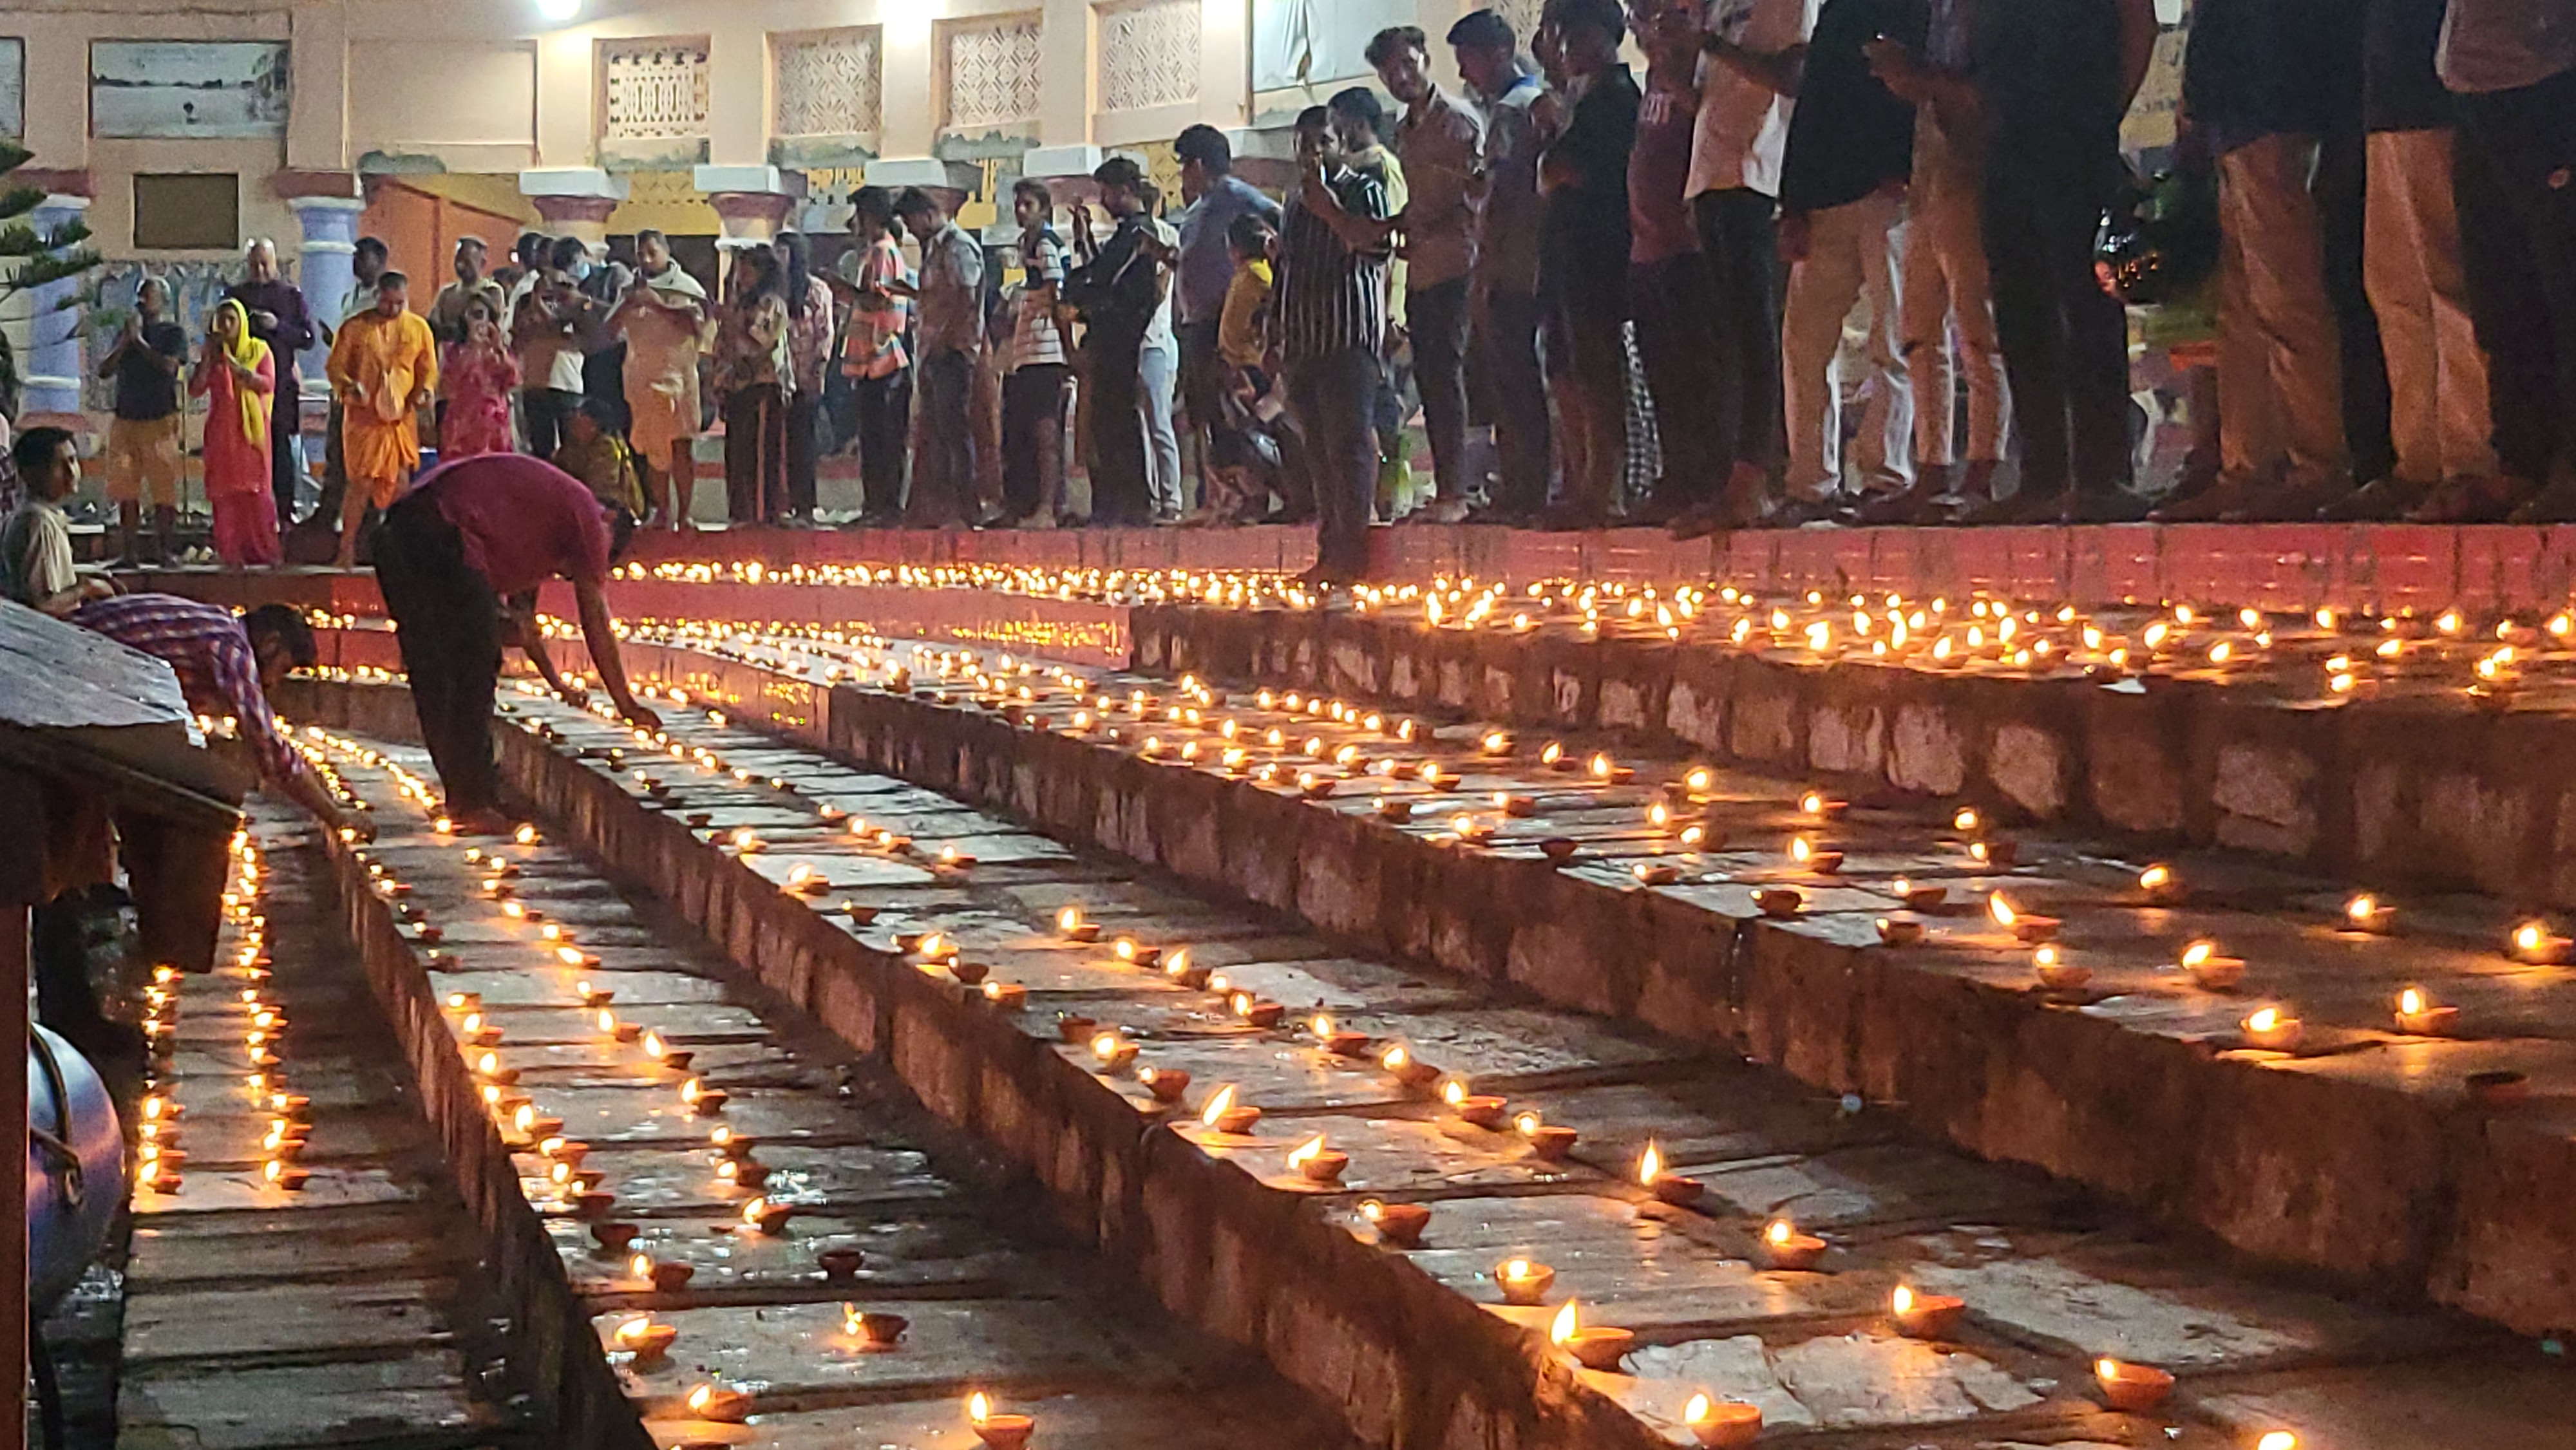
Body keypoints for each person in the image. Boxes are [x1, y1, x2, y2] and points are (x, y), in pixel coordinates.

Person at [371, 453, 659, 834]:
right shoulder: (588, 514)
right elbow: (595, 619)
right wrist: (626, 702)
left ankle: (464, 797)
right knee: (471, 668)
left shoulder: (541, 515)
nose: (570, 572)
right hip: (443, 529)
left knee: (435, 670)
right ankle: (473, 801)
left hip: (396, 532)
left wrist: (555, 681)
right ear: (609, 522)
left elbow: (521, 627)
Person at [1963, 0, 2158, 522]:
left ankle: (2104, 474)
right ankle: (2042, 476)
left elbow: (2139, 20)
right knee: (2020, 307)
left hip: (2075, 130)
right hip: (2009, 137)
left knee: (2087, 302)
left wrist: (2101, 117)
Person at [2163, 0, 2353, 521]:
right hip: (2238, 116)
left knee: (2285, 301)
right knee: (2242, 312)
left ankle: (2315, 466)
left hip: (2270, 112)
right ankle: (2247, 467)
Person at [1736, 0, 1925, 522]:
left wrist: (1904, 162)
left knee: (1896, 340)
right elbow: (1814, 106)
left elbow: (1917, 84)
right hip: (1825, 201)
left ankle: (1884, 475)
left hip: (1886, 193)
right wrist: (1793, 204)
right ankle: (1812, 481)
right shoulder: (1840, 12)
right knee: (1804, 345)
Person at [2312, 0, 2496, 521]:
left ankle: (2470, 458)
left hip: (2432, 96)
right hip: (2383, 102)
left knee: (2446, 284)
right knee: (2395, 292)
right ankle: (2418, 462)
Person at [2421, 0, 2576, 522]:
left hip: (2546, 74)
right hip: (2476, 80)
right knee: (2501, 286)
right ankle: (2522, 458)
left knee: (2562, 279)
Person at [69, 596, 365, 837]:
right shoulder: (232, 646)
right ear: (271, 643)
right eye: (282, 669)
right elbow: (267, 746)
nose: (274, 682)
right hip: (68, 667)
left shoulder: (220, 626)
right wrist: (335, 816)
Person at [1678, 0, 1810, 532]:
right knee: (1724, 343)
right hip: (1711, 183)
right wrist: (1674, 59)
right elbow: (1708, 99)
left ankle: (1758, 480)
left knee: (1758, 340)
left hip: (1754, 181)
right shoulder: (1720, 8)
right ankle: (1731, 478)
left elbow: (1791, 79)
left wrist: (1710, 45)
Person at [1370, 26, 1488, 523]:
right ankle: (1447, 489)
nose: (1401, 76)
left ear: (1425, 59)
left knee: (1456, 377)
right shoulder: (1402, 131)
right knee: (1433, 380)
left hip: (1461, 265)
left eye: (1407, 63)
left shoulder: (1459, 121)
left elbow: (1477, 194)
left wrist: (1427, 221)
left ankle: (1462, 490)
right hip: (1420, 271)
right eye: (1389, 71)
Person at [1620, 1, 1731, 527]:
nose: (1644, 26)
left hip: (1687, 244)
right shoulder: (1651, 77)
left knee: (1696, 372)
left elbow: (1702, 115)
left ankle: (1709, 476)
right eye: (1638, 17)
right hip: (1647, 250)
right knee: (1663, 374)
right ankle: (1677, 474)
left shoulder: (1696, 62)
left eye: (1653, 14)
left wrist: (1671, 65)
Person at [1275, 104, 1396, 581]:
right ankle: (1330, 550)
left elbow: (1376, 248)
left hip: (1347, 335)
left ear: (1340, 145)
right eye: (1305, 145)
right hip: (1303, 338)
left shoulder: (1363, 189)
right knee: (1319, 451)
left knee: (1349, 445)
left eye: (1322, 142)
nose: (1313, 153)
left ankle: (1354, 551)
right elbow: (1286, 268)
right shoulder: (1293, 202)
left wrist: (1330, 208)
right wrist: (1277, 334)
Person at [1535, 0, 1643, 527]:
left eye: (1576, 36)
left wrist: (1556, 162)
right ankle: (1579, 478)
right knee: (1565, 369)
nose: (1567, 48)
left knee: (1597, 371)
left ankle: (1605, 484)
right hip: (1566, 250)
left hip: (1598, 250)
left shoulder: (1617, 99)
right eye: (1561, 38)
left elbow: (1576, 171)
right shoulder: (1578, 99)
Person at [1448, 10, 1554, 523]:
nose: (1465, 75)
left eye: (1468, 60)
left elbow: (1506, 195)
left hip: (1514, 266)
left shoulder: (1515, 109)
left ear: (1498, 53)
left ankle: (1525, 487)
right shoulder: (1526, 103)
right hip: (1531, 261)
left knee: (1514, 380)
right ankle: (1526, 483)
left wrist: (1485, 269)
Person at [1173, 125, 1283, 514]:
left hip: (1229, 325)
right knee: (1205, 414)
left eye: (1185, 166)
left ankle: (1251, 495)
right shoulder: (1195, 212)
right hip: (1198, 326)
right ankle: (1216, 497)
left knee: (1235, 414)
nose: (1184, 175)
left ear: (1199, 165)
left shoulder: (1239, 198)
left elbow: (1278, 230)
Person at [1064, 159, 1164, 527]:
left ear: (1125, 190)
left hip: (1120, 338)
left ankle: (1128, 503)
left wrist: (1081, 296)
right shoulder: (1126, 234)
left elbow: (1103, 279)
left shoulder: (1138, 233)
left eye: (1106, 192)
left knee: (1117, 422)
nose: (1103, 200)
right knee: (1107, 422)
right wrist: (1083, 238)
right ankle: (1112, 503)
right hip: (1111, 336)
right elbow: (1100, 272)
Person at [323, 271, 438, 568]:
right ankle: (346, 549)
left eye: (400, 303)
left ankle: (402, 553)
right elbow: (336, 368)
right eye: (388, 303)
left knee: (400, 484)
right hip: (363, 419)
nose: (394, 310)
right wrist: (350, 386)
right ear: (377, 297)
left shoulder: (418, 328)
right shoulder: (356, 328)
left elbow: (428, 369)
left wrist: (424, 392)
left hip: (399, 421)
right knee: (360, 484)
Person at [896, 187, 987, 529]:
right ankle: (940, 507)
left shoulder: (957, 247)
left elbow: (967, 296)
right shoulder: (934, 249)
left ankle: (966, 509)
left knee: (955, 431)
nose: (910, 230)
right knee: (935, 433)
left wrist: (948, 340)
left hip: (953, 351)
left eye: (911, 222)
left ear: (928, 215)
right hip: (934, 349)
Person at [607, 229, 709, 530]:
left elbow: (697, 326)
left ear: (666, 251)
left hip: (678, 378)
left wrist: (657, 304)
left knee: (680, 446)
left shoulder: (687, 287)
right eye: (640, 253)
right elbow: (608, 330)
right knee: (653, 447)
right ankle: (662, 512)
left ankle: (685, 514)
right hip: (643, 378)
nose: (646, 259)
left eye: (652, 252)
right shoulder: (630, 289)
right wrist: (628, 303)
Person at [227, 239, 317, 531]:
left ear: (276, 263)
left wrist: (277, 326)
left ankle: (284, 511)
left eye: (265, 263)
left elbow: (307, 338)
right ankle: (248, 514)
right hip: (242, 388)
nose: (260, 270)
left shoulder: (290, 296)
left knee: (280, 447)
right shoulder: (236, 296)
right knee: (245, 449)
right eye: (254, 264)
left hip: (279, 388)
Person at [97, 276, 187, 564]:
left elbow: (169, 367)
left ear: (162, 300)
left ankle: (165, 550)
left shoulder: (172, 333)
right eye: (140, 295)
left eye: (148, 295)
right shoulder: (125, 335)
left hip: (159, 421)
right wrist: (126, 341)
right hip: (125, 420)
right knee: (125, 488)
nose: (142, 301)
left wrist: (139, 341)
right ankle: (128, 553)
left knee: (163, 489)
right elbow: (104, 370)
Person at [838, 189, 914, 527]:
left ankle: (882, 508)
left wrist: (843, 291)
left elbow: (877, 300)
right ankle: (876, 507)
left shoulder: (883, 252)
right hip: (873, 362)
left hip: (882, 358)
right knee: (875, 438)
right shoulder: (878, 252)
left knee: (882, 439)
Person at [1001, 180, 1074, 527]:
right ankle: (1031, 504)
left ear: (1044, 209)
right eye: (1017, 204)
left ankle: (1048, 506)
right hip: (1029, 350)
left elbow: (1055, 293)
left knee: (1046, 431)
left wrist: (1067, 347)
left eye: (1028, 204)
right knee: (1026, 431)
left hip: (1046, 351)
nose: (1020, 211)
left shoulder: (1046, 243)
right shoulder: (1027, 244)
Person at [1207, 212, 1285, 523]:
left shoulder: (1258, 276)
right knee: (1231, 438)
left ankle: (1259, 497)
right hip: (1234, 366)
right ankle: (1247, 497)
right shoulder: (1245, 275)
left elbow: (1266, 313)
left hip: (1250, 368)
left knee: (1250, 436)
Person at [191, 299, 281, 567]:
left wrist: (234, 365)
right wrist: (208, 359)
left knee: (257, 494)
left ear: (242, 322)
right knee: (224, 494)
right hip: (222, 432)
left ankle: (264, 551)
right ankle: (230, 553)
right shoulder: (212, 355)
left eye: (232, 319)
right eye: (223, 321)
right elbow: (195, 389)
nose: (227, 326)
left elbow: (267, 383)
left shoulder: (259, 350)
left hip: (252, 433)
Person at [714, 243, 793, 525]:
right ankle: (740, 515)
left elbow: (760, 344)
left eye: (748, 272)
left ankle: (761, 516)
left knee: (759, 457)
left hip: (762, 386)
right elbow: (723, 348)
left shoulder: (771, 304)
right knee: (736, 456)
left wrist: (732, 323)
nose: (741, 277)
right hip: (736, 387)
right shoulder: (739, 304)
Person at [1, 427, 117, 614]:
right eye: (60, 465)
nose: (72, 472)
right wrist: (86, 588)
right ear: (30, 474)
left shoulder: (42, 516)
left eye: (72, 461)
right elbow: (40, 606)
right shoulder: (38, 521)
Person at [777, 232, 836, 524]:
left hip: (805, 377)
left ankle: (805, 505)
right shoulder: (772, 291)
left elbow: (825, 335)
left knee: (803, 444)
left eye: (783, 253)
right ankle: (779, 504)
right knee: (777, 444)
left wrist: (817, 372)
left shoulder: (816, 291)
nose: (778, 259)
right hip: (776, 380)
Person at [1136, 182, 1186, 522]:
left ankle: (1172, 498)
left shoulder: (1164, 237)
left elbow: (1161, 286)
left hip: (1155, 339)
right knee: (1140, 423)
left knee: (1159, 421)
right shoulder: (1133, 237)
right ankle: (1151, 495)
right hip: (1137, 342)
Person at [514, 261, 591, 460]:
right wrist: (534, 304)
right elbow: (519, 337)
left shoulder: (573, 306)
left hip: (566, 384)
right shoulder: (525, 303)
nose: (554, 287)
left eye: (561, 283)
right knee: (541, 449)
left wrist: (539, 304)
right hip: (534, 385)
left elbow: (559, 330)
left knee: (573, 449)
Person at [439, 297, 518, 461]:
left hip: (493, 425)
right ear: (464, 318)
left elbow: (513, 380)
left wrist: (499, 349)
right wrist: (474, 347)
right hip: (463, 425)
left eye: (484, 316)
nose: (480, 321)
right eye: (476, 315)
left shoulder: (497, 352)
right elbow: (447, 387)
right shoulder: (451, 350)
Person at [553, 395, 647, 518]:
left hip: (611, 511)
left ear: (594, 425)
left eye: (581, 415)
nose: (574, 420)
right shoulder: (573, 445)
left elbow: (603, 491)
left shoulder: (607, 447)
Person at [428, 236, 506, 346]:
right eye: (458, 260)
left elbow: (494, 329)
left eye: (467, 260)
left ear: (482, 263)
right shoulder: (446, 293)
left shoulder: (492, 291)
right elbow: (433, 326)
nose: (461, 265)